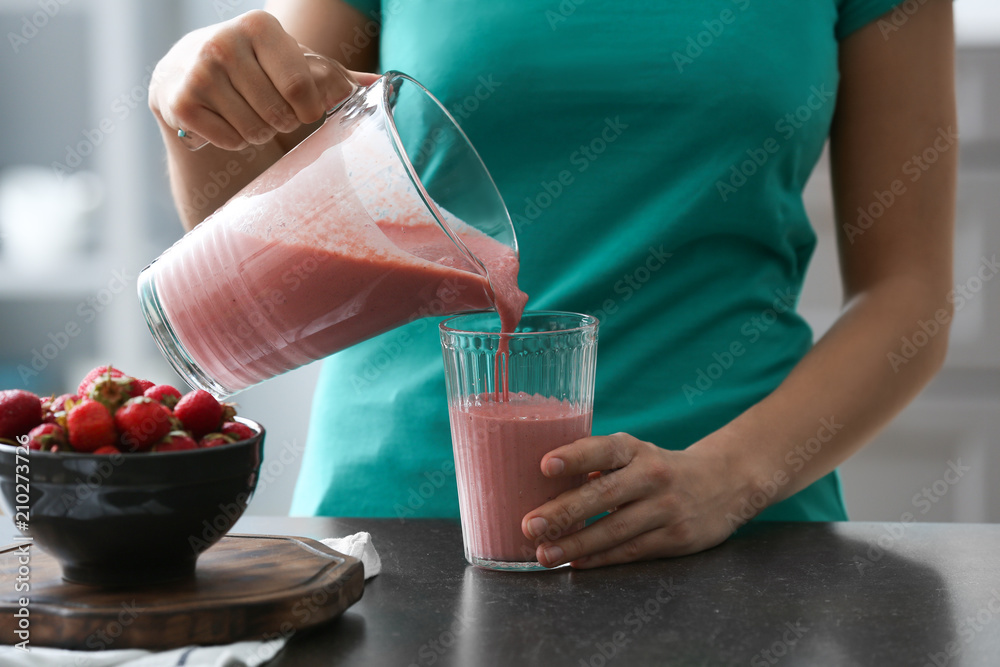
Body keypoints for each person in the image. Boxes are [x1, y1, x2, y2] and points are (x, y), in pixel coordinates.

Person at [149, 0, 956, 569]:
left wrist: (730, 481)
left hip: (743, 528)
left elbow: (909, 293)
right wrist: (190, 99)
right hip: (398, 528)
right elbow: (254, 226)